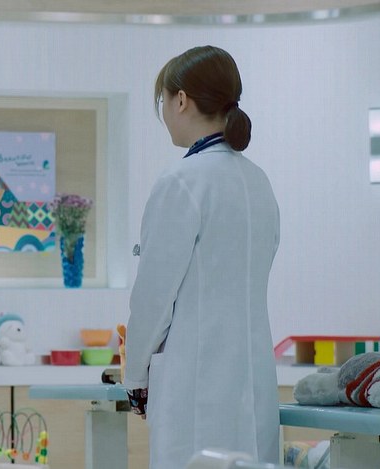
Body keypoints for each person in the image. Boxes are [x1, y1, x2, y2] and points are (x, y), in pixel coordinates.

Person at [124, 46, 280, 468]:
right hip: (253, 381)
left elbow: (154, 297)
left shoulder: (182, 180)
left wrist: (135, 376)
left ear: (180, 100)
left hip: (194, 386)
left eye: (162, 101)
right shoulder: (258, 181)